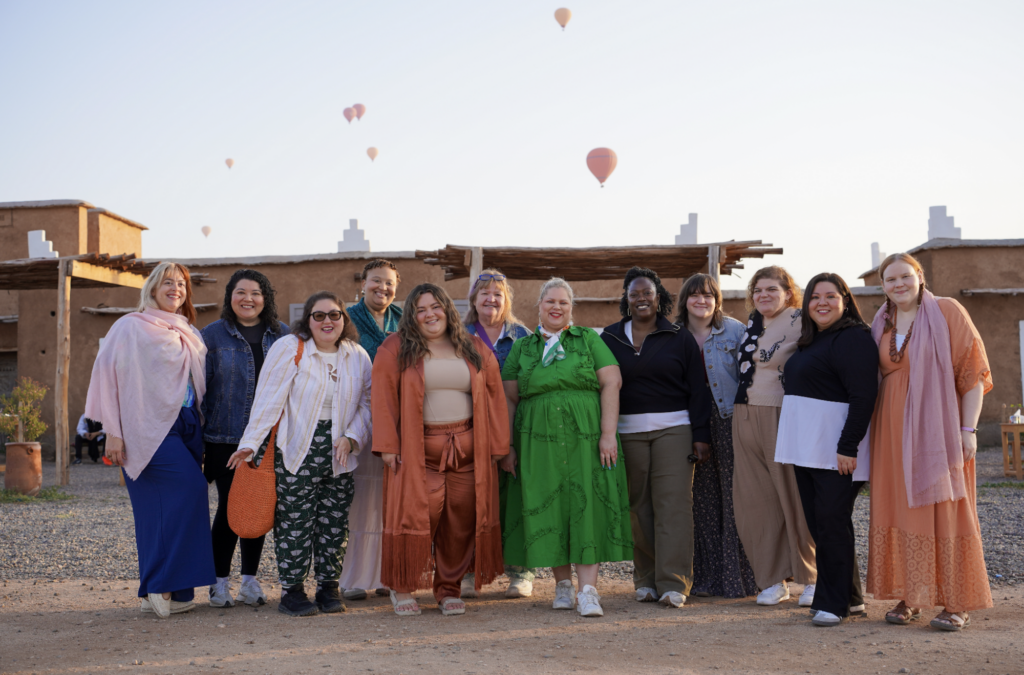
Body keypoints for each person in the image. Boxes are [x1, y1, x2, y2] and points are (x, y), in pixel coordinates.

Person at [866, 253, 993, 631]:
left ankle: (957, 602)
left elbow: (973, 373)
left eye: (905, 276)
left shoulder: (948, 311)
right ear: (882, 286)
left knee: (945, 508)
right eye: (890, 279)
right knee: (900, 508)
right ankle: (912, 595)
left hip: (937, 430)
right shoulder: (880, 320)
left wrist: (967, 430)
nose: (898, 284)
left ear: (919, 277)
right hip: (890, 430)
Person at [228, 292, 371, 617]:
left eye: (334, 315)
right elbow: (268, 397)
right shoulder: (291, 349)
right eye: (318, 315)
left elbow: (368, 402)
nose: (327, 321)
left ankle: (328, 588)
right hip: (297, 450)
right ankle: (293, 591)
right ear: (307, 320)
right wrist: (250, 442)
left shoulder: (357, 356)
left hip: (341, 453)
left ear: (344, 320)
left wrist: (353, 437)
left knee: (334, 523)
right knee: (295, 522)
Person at [85, 262, 214, 618]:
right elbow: (107, 377)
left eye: (182, 284)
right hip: (146, 427)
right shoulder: (129, 326)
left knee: (172, 506)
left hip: (187, 424)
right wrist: (113, 430)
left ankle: (165, 589)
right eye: (168, 283)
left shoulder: (187, 330)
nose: (176, 289)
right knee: (185, 493)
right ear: (153, 289)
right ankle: (160, 584)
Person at [372, 283, 509, 617]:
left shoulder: (473, 347)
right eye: (420, 310)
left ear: (447, 309)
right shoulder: (395, 348)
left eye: (435, 307)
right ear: (411, 316)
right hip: (418, 453)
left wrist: (497, 446)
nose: (429, 314)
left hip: (468, 452)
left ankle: (448, 589)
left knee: (460, 521)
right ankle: (402, 588)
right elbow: (383, 398)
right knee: (415, 518)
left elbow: (494, 396)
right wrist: (388, 446)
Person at [501, 278, 631, 618]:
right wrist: (509, 446)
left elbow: (611, 382)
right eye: (550, 302)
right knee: (550, 504)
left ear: (571, 308)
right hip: (535, 440)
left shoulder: (589, 340)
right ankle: (562, 585)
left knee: (586, 506)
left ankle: (588, 591)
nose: (556, 307)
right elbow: (510, 399)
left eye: (563, 302)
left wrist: (607, 433)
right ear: (539, 307)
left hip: (586, 437)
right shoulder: (522, 348)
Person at [601, 267, 711, 608]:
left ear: (658, 296)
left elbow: (698, 388)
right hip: (627, 433)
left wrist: (701, 434)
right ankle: (646, 580)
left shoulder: (678, 336)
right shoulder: (609, 337)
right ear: (626, 299)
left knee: (673, 506)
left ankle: (674, 583)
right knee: (638, 508)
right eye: (634, 294)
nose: (641, 299)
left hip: (673, 430)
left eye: (647, 293)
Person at [775, 273, 877, 626]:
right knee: (824, 524)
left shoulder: (854, 339)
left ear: (845, 301)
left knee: (831, 523)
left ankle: (833, 604)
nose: (822, 302)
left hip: (836, 451)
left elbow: (864, 396)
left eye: (831, 296)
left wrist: (848, 446)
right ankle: (852, 597)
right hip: (807, 449)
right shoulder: (812, 340)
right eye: (815, 297)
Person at [200, 269, 290, 607]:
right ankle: (219, 582)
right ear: (230, 296)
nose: (247, 299)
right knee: (229, 508)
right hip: (225, 439)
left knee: (260, 506)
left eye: (255, 293)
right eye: (240, 292)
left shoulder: (282, 336)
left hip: (267, 440)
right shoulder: (211, 336)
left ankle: (250, 581)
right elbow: (200, 388)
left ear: (265, 298)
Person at [732, 266, 817, 607]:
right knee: (755, 501)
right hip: (744, 413)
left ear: (787, 291)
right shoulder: (752, 323)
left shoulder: (801, 319)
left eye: (771, 289)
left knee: (793, 494)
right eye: (758, 290)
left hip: (782, 413)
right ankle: (772, 579)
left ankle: (812, 576)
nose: (764, 295)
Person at [678, 273, 758, 599]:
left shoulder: (736, 331)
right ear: (685, 300)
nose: (702, 301)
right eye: (695, 295)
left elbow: (752, 377)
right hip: (687, 423)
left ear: (717, 299)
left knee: (734, 497)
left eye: (709, 295)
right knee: (700, 501)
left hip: (728, 419)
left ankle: (737, 579)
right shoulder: (672, 335)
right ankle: (704, 579)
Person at [462, 268, 533, 599]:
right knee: (469, 501)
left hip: (516, 429)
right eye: (484, 294)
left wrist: (510, 443)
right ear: (473, 300)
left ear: (507, 300)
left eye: (498, 294)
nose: (491, 300)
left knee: (515, 500)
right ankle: (468, 570)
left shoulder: (523, 337)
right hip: (466, 430)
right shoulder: (457, 334)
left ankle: (521, 572)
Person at [340, 259, 402, 602]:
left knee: (390, 502)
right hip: (357, 416)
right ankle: (352, 577)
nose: (383, 288)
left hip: (395, 419)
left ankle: (385, 574)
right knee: (358, 500)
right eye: (376, 281)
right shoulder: (346, 317)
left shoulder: (404, 320)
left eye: (389, 283)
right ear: (363, 283)